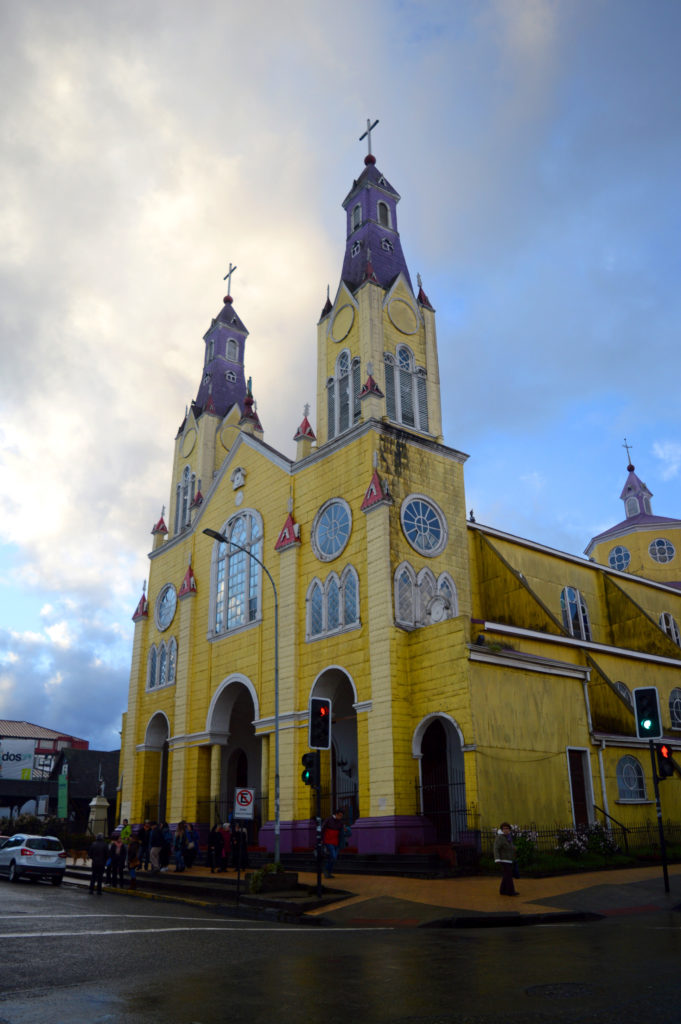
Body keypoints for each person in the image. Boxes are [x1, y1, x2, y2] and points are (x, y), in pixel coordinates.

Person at [493, 822, 518, 896]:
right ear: (502, 829)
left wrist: (514, 849)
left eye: (507, 828)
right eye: (504, 828)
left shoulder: (508, 837)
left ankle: (502, 890)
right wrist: (497, 858)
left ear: (509, 830)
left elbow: (510, 847)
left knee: (506, 876)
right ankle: (510, 891)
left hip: (509, 859)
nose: (505, 830)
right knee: (509, 876)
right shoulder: (500, 837)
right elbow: (496, 848)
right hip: (503, 859)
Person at [322, 808, 345, 878]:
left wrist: (345, 830)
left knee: (333, 858)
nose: (341, 817)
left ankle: (328, 872)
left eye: (342, 816)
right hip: (328, 841)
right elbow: (323, 829)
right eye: (340, 815)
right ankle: (326, 869)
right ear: (336, 814)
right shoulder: (328, 820)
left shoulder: (340, 822)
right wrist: (322, 840)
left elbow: (343, 832)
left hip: (336, 842)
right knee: (334, 856)